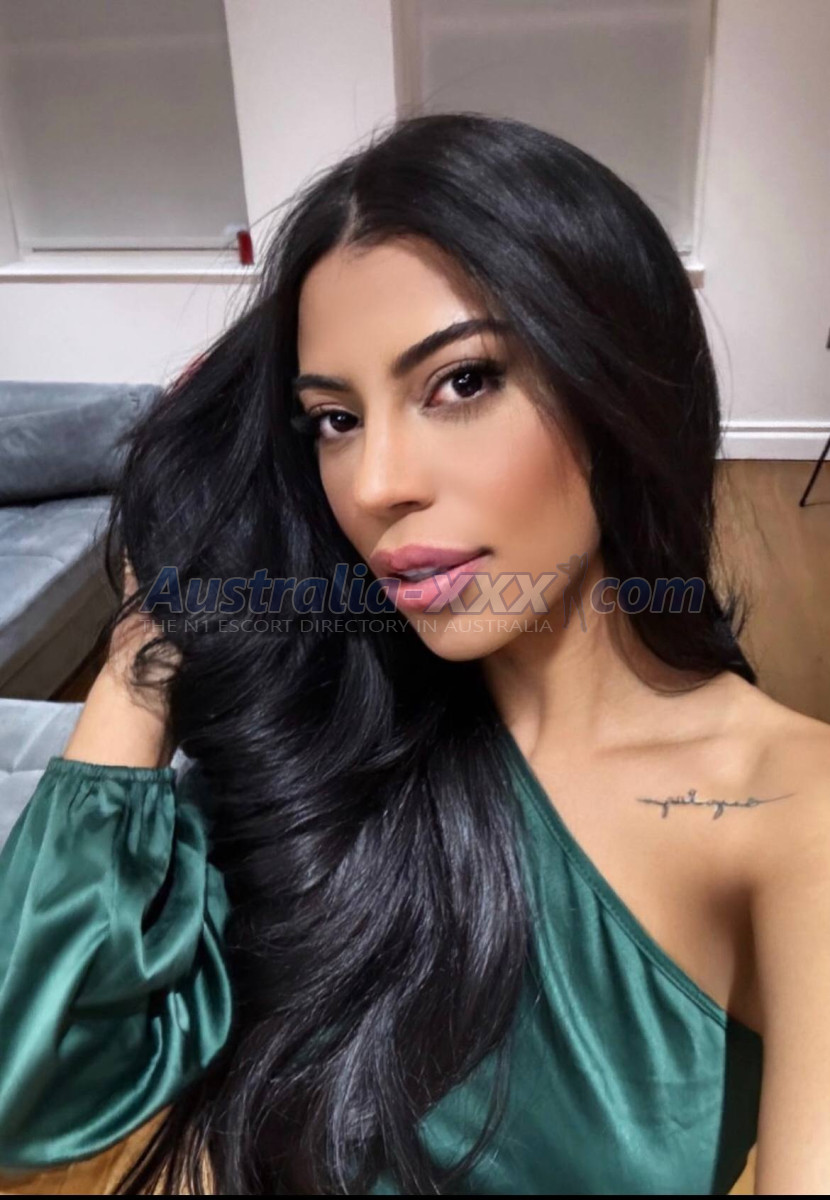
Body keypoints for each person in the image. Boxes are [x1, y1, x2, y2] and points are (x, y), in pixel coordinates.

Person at [0, 111, 828, 1195]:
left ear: (618, 379)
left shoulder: (788, 815)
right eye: (333, 420)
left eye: (461, 382)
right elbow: (29, 1089)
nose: (377, 482)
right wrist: (146, 650)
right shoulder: (320, 743)